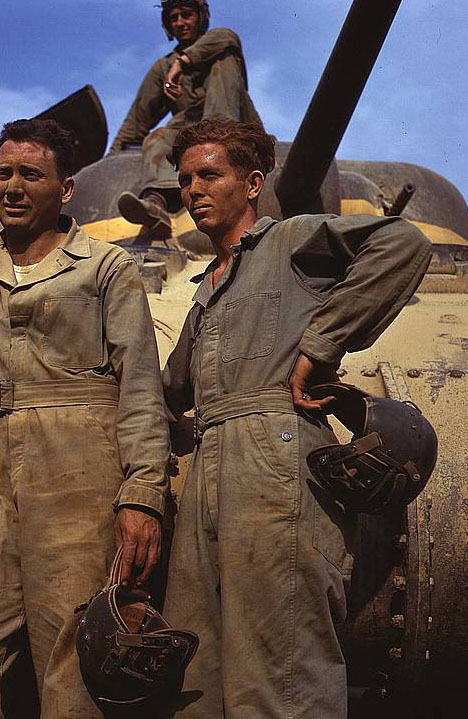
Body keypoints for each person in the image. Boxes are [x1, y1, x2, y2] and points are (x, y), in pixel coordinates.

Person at [161, 118, 432, 718]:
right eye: (185, 180)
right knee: (196, 677)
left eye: (210, 175)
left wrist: (323, 343)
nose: (193, 191)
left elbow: (402, 244)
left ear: (253, 183)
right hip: (210, 466)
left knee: (280, 672)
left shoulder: (291, 242)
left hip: (275, 463)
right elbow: (170, 391)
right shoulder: (207, 289)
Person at [0, 118, 171, 718]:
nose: (11, 186)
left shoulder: (104, 267)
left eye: (30, 174)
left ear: (65, 190)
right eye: (3, 173)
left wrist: (142, 493)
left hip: (79, 465)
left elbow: (140, 384)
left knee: (72, 660)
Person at [111, 0, 261, 237]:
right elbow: (137, 120)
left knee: (225, 58)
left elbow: (229, 36)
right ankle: (156, 204)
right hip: (192, 132)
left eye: (187, 15)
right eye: (174, 17)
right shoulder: (163, 68)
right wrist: (110, 159)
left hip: (235, 130)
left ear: (200, 17)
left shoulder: (221, 43)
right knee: (158, 137)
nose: (180, 22)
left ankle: (217, 139)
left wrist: (182, 63)